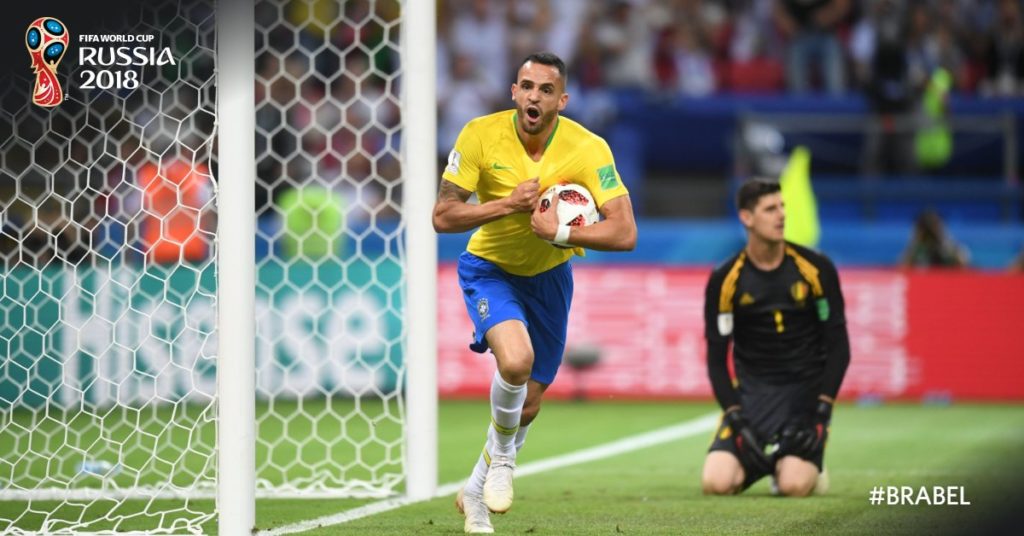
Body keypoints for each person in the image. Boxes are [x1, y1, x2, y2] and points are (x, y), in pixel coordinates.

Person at [433, 51, 637, 533]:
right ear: (514, 92)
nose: (534, 96)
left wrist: (561, 233)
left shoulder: (588, 148)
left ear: (561, 100)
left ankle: (474, 492)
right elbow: (443, 216)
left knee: (529, 402)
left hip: (550, 278)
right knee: (516, 362)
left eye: (546, 90)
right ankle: (504, 460)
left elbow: (625, 232)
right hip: (490, 270)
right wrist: (507, 204)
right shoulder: (479, 134)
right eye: (526, 86)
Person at [701, 179, 850, 497]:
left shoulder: (816, 268)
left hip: (805, 396)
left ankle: (801, 468)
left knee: (793, 485)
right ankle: (773, 461)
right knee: (716, 483)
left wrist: (822, 411)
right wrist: (736, 419)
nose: (781, 215)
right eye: (770, 209)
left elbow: (839, 348)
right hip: (753, 397)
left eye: (782, 207)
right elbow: (716, 361)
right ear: (746, 218)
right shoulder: (725, 279)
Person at [900, 209, 969, 268]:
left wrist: (946, 241)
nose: (929, 234)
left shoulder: (949, 248)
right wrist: (914, 244)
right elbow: (903, 267)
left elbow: (964, 264)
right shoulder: (916, 250)